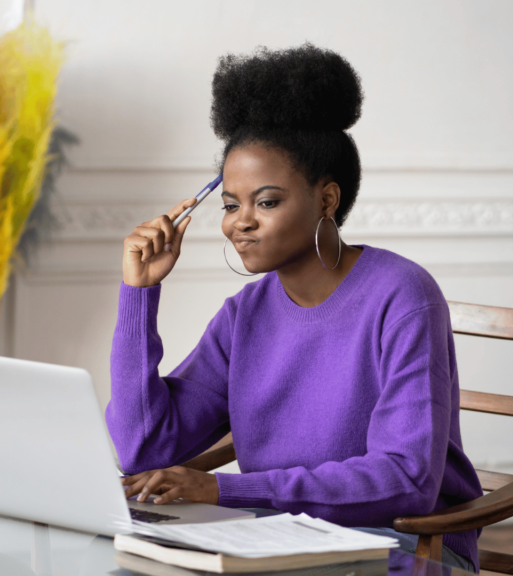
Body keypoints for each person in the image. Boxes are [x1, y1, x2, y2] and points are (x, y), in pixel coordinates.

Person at [105, 44, 484, 572]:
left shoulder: (403, 296)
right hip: (274, 544)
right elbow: (142, 448)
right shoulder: (245, 315)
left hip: (404, 548)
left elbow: (407, 480)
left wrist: (225, 490)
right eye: (231, 205)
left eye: (266, 201)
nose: (242, 222)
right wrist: (138, 294)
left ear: (327, 200)